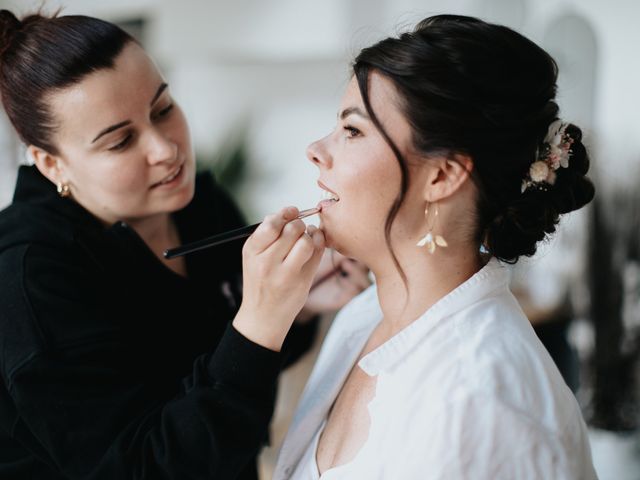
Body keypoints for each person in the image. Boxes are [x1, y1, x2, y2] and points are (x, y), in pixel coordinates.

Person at [0, 10, 369, 480]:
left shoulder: (199, 205)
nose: (166, 149)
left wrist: (294, 310)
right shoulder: (30, 280)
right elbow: (146, 467)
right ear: (51, 164)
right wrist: (259, 319)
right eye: (120, 141)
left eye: (162, 109)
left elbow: (227, 368)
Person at [274, 15, 597, 479]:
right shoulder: (362, 316)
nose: (314, 149)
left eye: (352, 131)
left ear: (442, 176)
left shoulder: (485, 404)